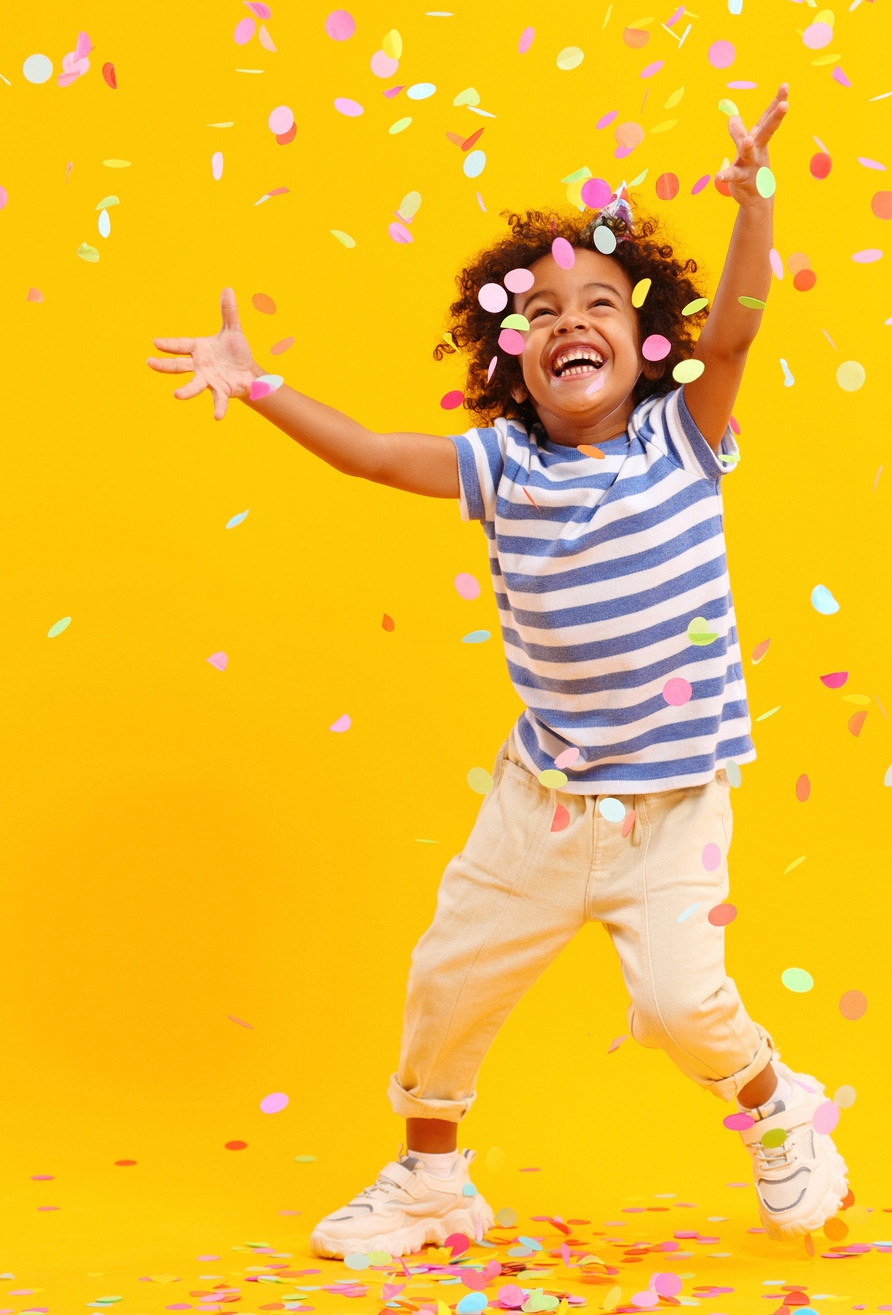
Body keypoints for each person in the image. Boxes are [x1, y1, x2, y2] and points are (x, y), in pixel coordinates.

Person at [148, 83, 848, 1257]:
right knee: (447, 984)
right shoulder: (502, 468)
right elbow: (374, 455)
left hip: (672, 812)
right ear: (509, 359)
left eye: (601, 305)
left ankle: (782, 1111)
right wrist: (257, 384)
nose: (570, 320)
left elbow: (738, 327)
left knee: (683, 1009)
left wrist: (754, 204)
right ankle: (432, 1180)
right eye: (538, 313)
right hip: (540, 806)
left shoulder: (686, 436)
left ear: (649, 337)